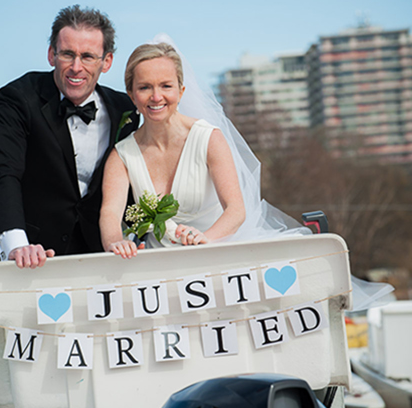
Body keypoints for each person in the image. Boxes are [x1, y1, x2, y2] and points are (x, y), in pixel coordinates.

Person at [101, 36, 307, 258]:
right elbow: (110, 213)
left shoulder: (209, 139)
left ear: (181, 91)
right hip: (157, 265)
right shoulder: (121, 155)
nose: (156, 96)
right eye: (144, 87)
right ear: (132, 95)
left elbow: (236, 210)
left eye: (166, 86)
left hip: (214, 255)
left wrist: (206, 238)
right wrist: (116, 242)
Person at [0, 5, 139, 268]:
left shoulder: (125, 110)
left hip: (102, 259)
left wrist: (141, 235)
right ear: (51, 54)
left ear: (107, 61)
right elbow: (2, 173)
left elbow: (133, 180)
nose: (76, 67)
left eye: (88, 56)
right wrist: (17, 245)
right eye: (68, 54)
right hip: (32, 258)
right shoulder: (16, 98)